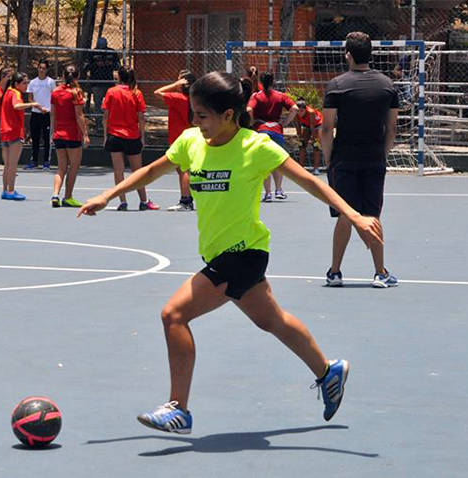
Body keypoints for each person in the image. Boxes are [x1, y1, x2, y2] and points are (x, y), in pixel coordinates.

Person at [78, 71, 383, 434]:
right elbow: (151, 171)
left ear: (228, 115)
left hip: (243, 254)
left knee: (173, 315)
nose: (196, 122)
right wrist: (107, 195)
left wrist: (353, 214)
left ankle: (179, 409)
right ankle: (328, 371)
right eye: (193, 114)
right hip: (220, 253)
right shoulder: (191, 141)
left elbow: (310, 181)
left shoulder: (256, 147)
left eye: (202, 115)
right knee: (272, 321)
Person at [321, 31, 399, 288]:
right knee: (372, 214)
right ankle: (380, 273)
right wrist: (383, 154)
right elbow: (392, 128)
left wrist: (328, 158)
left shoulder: (337, 85)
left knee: (345, 213)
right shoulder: (387, 85)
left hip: (344, 158)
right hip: (374, 157)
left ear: (348, 55)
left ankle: (335, 272)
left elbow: (326, 128)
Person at [102, 66, 158, 211]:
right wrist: (142, 137)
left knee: (118, 170)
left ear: (119, 77)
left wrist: (105, 136)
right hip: (132, 136)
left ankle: (123, 201)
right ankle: (143, 201)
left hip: (114, 136)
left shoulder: (111, 92)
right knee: (137, 171)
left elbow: (105, 116)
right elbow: (141, 117)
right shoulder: (136, 93)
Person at [247, 72, 299, 202]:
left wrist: (252, 122)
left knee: (264, 162)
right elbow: (295, 108)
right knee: (278, 161)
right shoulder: (281, 96)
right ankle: (279, 190)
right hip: (276, 131)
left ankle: (268, 193)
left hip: (262, 131)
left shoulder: (256, 96)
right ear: (273, 82)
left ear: (261, 82)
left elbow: (248, 110)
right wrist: (285, 123)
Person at [0, 72, 48, 201]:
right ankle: (10, 191)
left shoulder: (7, 92)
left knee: (7, 164)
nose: (27, 85)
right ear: (16, 84)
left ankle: (5, 190)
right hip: (14, 132)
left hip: (4, 132)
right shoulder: (15, 93)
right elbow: (16, 106)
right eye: (24, 83)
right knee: (12, 164)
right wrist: (33, 104)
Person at [154, 70, 197, 211]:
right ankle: (189, 198)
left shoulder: (178, 98)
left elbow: (157, 92)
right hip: (190, 137)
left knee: (183, 170)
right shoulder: (194, 100)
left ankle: (186, 201)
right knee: (185, 170)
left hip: (179, 138)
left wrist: (174, 84)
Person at [50, 65, 90, 208]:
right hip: (72, 135)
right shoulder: (76, 92)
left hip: (59, 134)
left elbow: (53, 114)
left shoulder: (55, 92)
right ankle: (68, 197)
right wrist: (85, 134)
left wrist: (53, 132)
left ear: (63, 76)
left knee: (61, 167)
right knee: (74, 166)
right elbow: (79, 115)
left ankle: (55, 194)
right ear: (77, 77)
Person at [83, 37, 121, 133]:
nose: (102, 50)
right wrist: (96, 64)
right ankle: (99, 125)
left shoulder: (111, 52)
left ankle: (111, 124)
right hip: (97, 82)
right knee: (98, 104)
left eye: (103, 48)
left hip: (109, 82)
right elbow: (85, 67)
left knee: (112, 104)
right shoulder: (92, 53)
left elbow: (118, 66)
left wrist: (110, 64)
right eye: (100, 47)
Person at [26, 59, 57, 170]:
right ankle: (34, 161)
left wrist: (49, 110)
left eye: (44, 68)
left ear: (47, 70)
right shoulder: (32, 83)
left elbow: (54, 97)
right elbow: (30, 99)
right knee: (35, 138)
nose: (41, 70)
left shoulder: (51, 82)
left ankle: (46, 161)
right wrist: (39, 107)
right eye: (40, 68)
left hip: (47, 114)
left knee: (47, 138)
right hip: (35, 114)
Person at [294, 97, 323, 175]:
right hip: (306, 125)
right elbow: (297, 126)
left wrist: (315, 139)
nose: (300, 113)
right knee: (302, 145)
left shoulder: (311, 112)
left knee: (316, 146)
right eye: (298, 111)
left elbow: (312, 127)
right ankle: (301, 167)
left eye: (301, 111)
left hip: (317, 125)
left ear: (305, 109)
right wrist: (299, 137)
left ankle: (316, 168)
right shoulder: (295, 112)